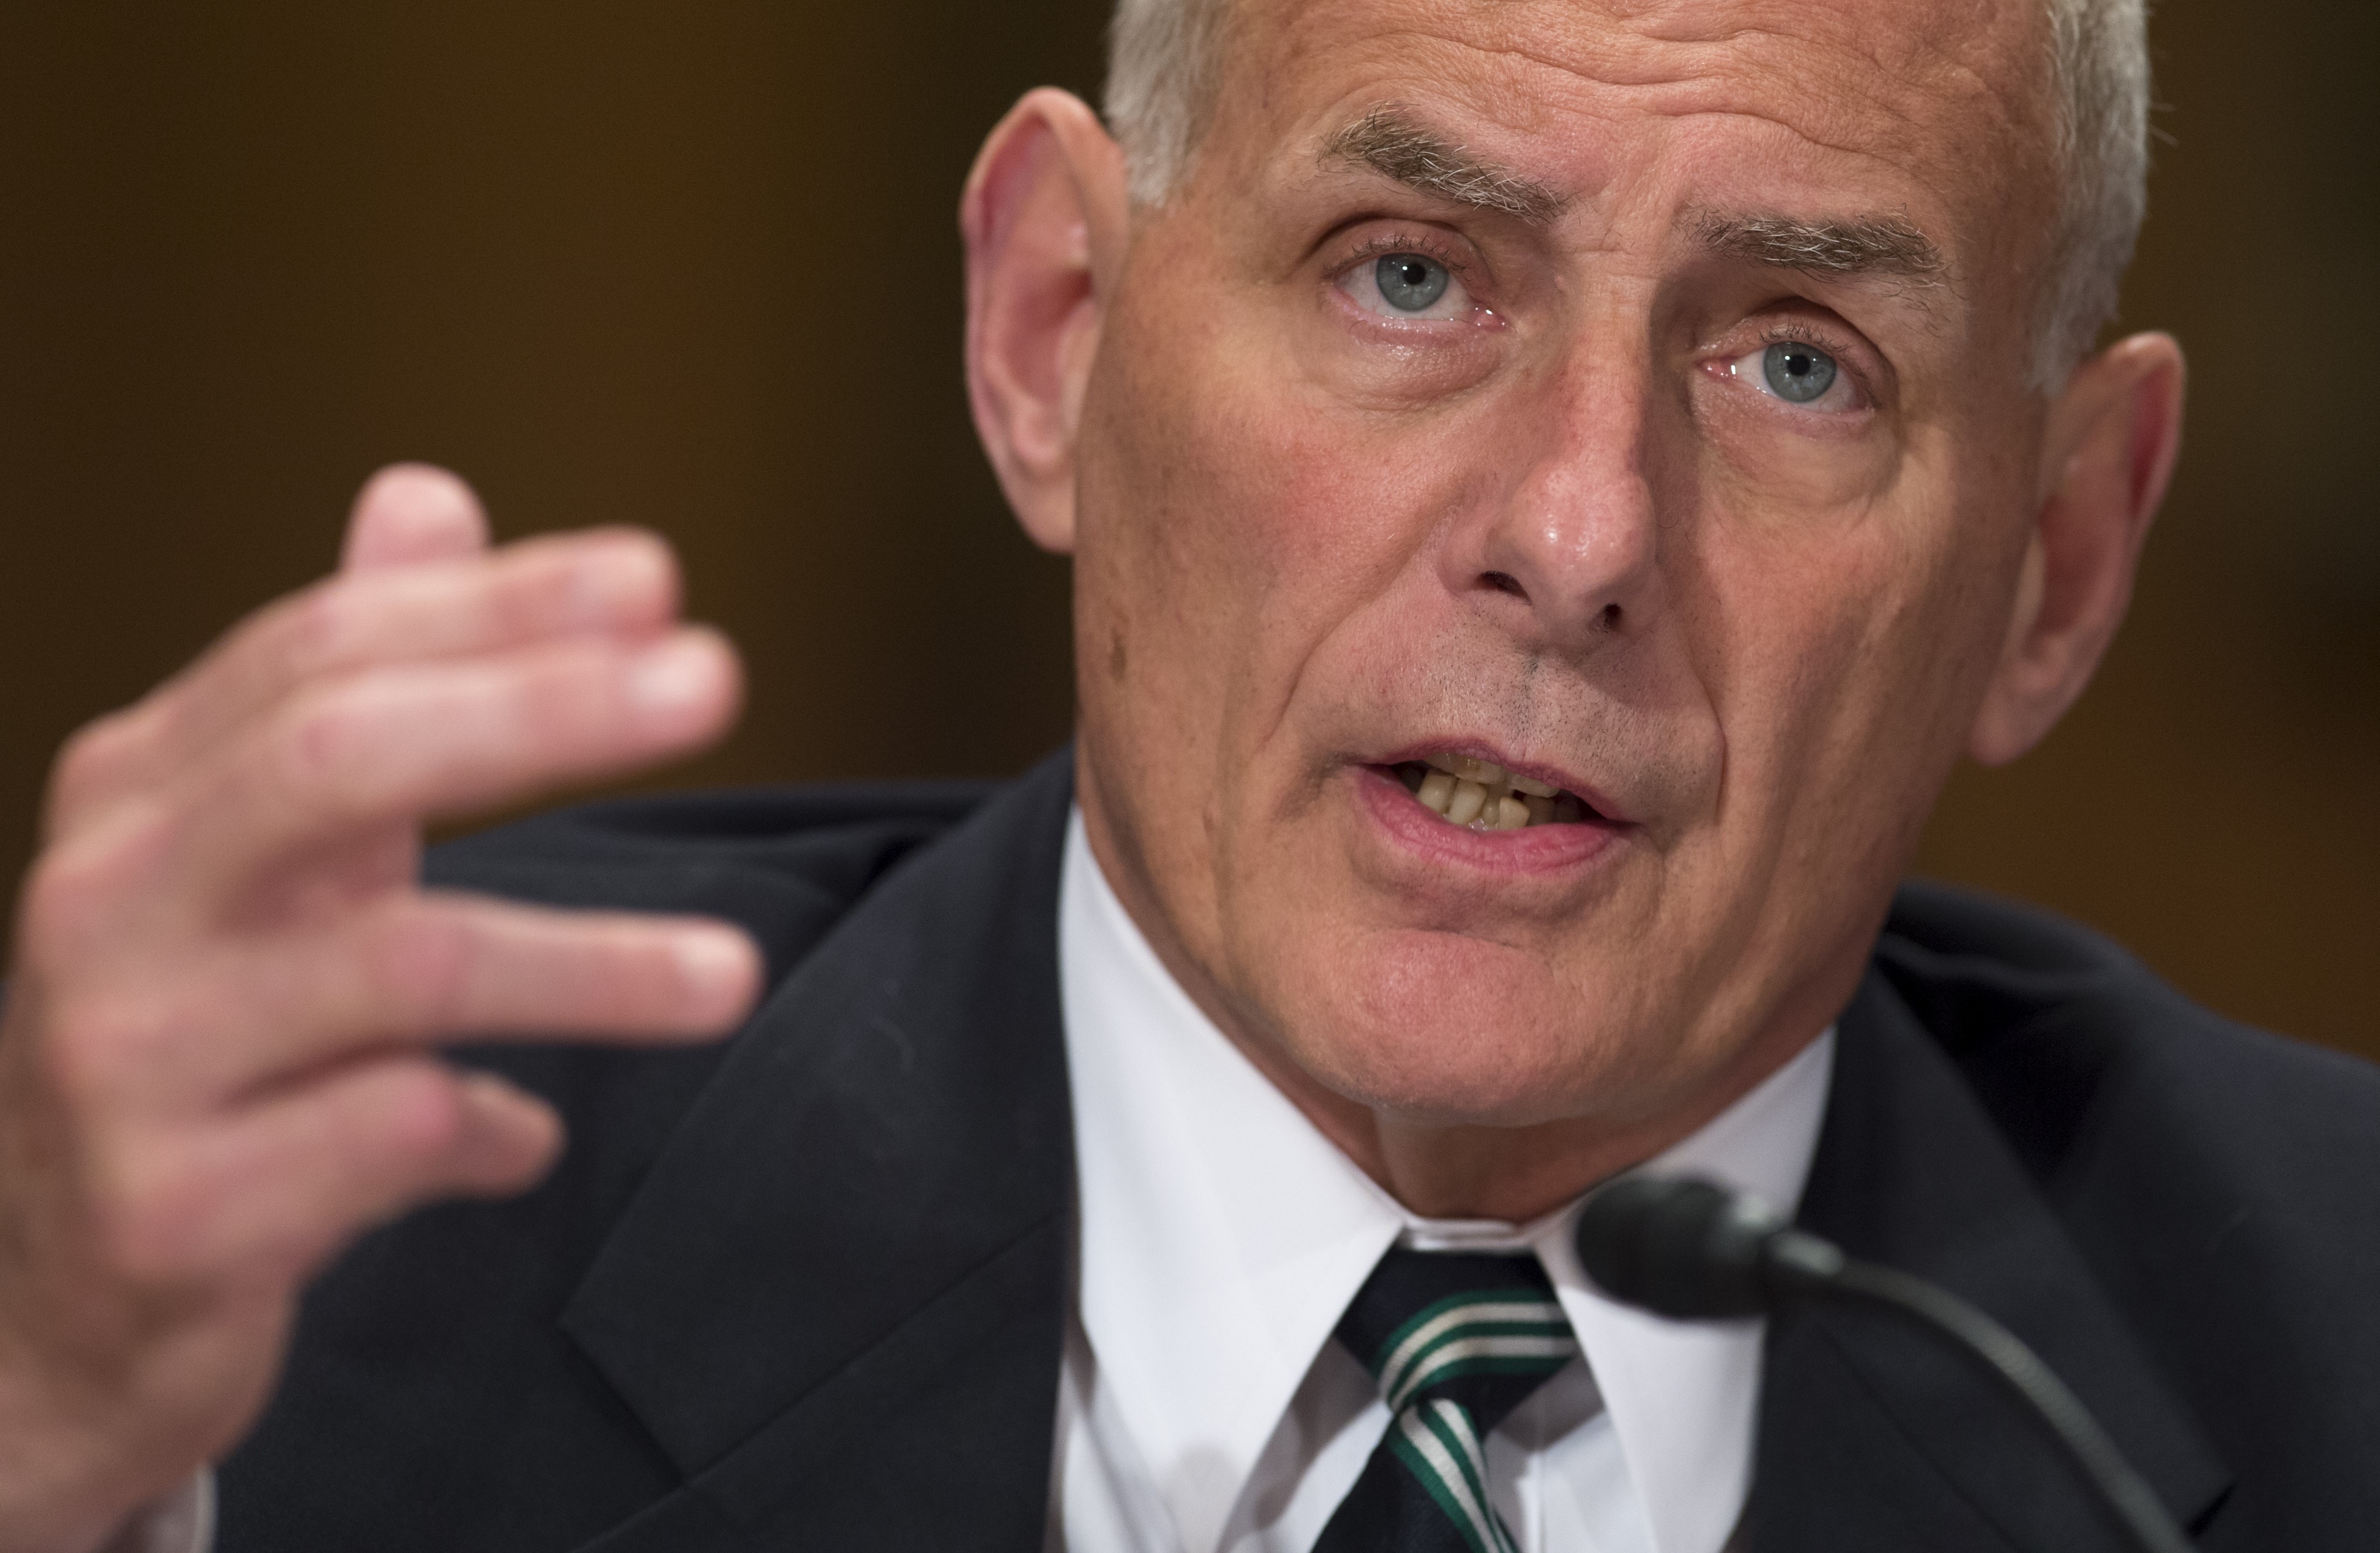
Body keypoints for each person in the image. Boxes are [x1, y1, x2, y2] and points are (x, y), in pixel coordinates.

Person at [2, 0, 2374, 1548]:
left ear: (2057, 561)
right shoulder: (310, 1238)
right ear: (1052, 330)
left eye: (1797, 363)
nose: (1577, 536)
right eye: (1407, 273)